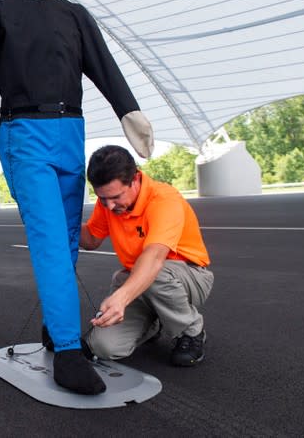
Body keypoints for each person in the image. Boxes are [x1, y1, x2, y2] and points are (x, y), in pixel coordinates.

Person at [0, 0, 154, 395]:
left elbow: (105, 68)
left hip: (71, 131)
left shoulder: (76, 15)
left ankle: (56, 326)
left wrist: (130, 112)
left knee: (69, 239)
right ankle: (68, 352)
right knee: (51, 239)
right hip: (23, 133)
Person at [81, 145, 214, 366]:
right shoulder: (107, 203)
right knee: (103, 347)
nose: (109, 205)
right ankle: (152, 324)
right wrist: (62, 221)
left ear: (134, 180)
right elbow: (91, 240)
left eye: (115, 197)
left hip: (188, 276)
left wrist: (121, 299)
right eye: (102, 199)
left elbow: (154, 257)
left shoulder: (163, 199)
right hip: (141, 282)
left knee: (155, 273)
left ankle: (191, 332)